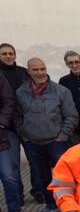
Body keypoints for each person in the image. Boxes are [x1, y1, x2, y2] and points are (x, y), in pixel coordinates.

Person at [16, 57, 78, 212]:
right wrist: (25, 135)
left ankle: (69, 207)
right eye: (35, 70)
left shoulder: (61, 91)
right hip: (33, 143)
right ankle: (51, 206)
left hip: (56, 142)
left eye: (42, 69)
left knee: (63, 177)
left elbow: (71, 116)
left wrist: (62, 136)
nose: (40, 73)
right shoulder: (20, 93)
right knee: (42, 177)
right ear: (28, 71)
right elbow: (17, 116)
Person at [0, 42, 40, 203]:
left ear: (15, 55)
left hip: (28, 124)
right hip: (8, 127)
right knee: (14, 163)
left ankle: (38, 191)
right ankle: (18, 195)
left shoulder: (24, 73)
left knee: (35, 160)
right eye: (4, 53)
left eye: (11, 53)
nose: (8, 56)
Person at [0, 73, 26, 212]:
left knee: (9, 175)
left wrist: (2, 122)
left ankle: (15, 210)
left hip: (1, 139)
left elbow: (8, 100)